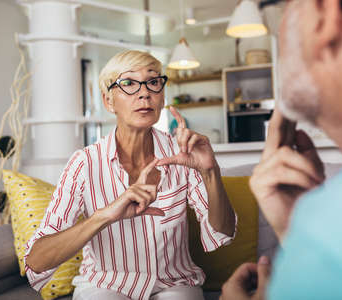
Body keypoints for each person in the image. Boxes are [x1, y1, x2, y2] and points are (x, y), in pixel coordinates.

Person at [221, 0, 342, 299]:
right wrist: (297, 231)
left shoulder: (333, 240)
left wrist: (315, 242)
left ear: (322, 15)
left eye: (275, 9)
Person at [24, 50, 237, 300]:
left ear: (161, 94)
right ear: (108, 101)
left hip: (175, 282)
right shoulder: (84, 163)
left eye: (153, 82)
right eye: (128, 83)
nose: (144, 92)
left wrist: (211, 171)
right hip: (104, 283)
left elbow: (222, 233)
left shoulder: (183, 153)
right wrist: (104, 215)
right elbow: (37, 261)